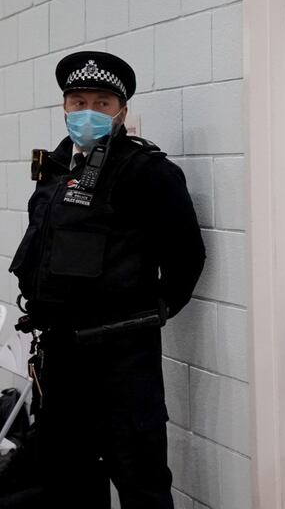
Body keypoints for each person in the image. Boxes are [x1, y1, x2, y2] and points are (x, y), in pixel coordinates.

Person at [6, 51, 206, 508]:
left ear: (122, 111)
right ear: (64, 107)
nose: (89, 112)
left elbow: (186, 258)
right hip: (59, 356)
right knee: (69, 480)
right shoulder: (55, 169)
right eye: (78, 102)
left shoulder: (147, 172)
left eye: (102, 102)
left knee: (140, 479)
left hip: (121, 360)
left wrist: (145, 314)